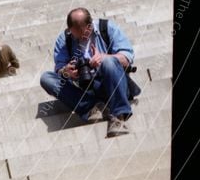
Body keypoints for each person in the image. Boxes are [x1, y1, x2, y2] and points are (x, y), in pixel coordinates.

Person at [40, 8, 140, 138]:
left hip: (113, 83)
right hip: (85, 88)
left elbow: (127, 58)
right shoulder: (64, 39)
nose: (82, 37)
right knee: (46, 78)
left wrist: (104, 57)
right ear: (70, 30)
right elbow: (59, 69)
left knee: (109, 62)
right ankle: (92, 108)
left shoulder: (107, 28)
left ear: (90, 24)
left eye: (85, 33)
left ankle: (118, 116)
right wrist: (66, 71)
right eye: (78, 35)